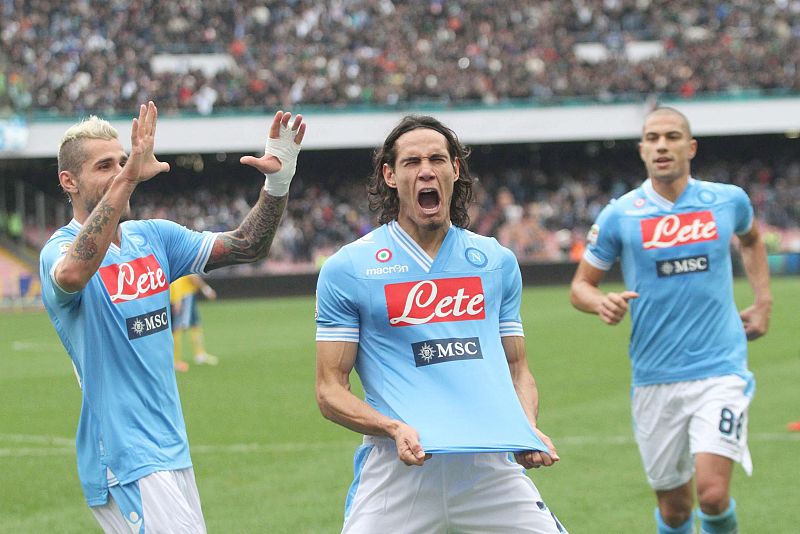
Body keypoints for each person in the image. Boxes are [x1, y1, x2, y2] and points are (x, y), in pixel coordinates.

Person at [39, 101, 305, 532]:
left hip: (171, 449)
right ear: (68, 181)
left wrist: (279, 181)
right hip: (124, 455)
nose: (119, 172)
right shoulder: (59, 250)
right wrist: (127, 179)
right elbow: (72, 274)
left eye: (122, 161)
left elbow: (247, 245)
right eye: (104, 166)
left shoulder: (154, 237)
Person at [315, 115, 566, 534]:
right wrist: (392, 428)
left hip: (488, 468)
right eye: (412, 162)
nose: (426, 170)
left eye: (436, 159)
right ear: (390, 176)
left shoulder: (496, 262)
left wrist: (526, 429)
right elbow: (329, 390)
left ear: (455, 169)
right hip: (398, 470)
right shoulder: (349, 268)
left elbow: (518, 369)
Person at [570, 107, 772, 534]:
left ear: (690, 147)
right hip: (654, 377)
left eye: (672, 136)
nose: (662, 145)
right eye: (653, 138)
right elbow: (581, 286)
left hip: (720, 370)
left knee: (712, 495)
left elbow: (752, 239)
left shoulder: (728, 200)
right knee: (675, 509)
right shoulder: (620, 214)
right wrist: (601, 303)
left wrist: (763, 301)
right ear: (642, 150)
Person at [170, 274, 218, 371]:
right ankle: (175, 360)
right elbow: (192, 276)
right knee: (177, 327)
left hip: (185, 293)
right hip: (183, 294)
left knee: (195, 324)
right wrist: (206, 289)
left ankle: (200, 354)